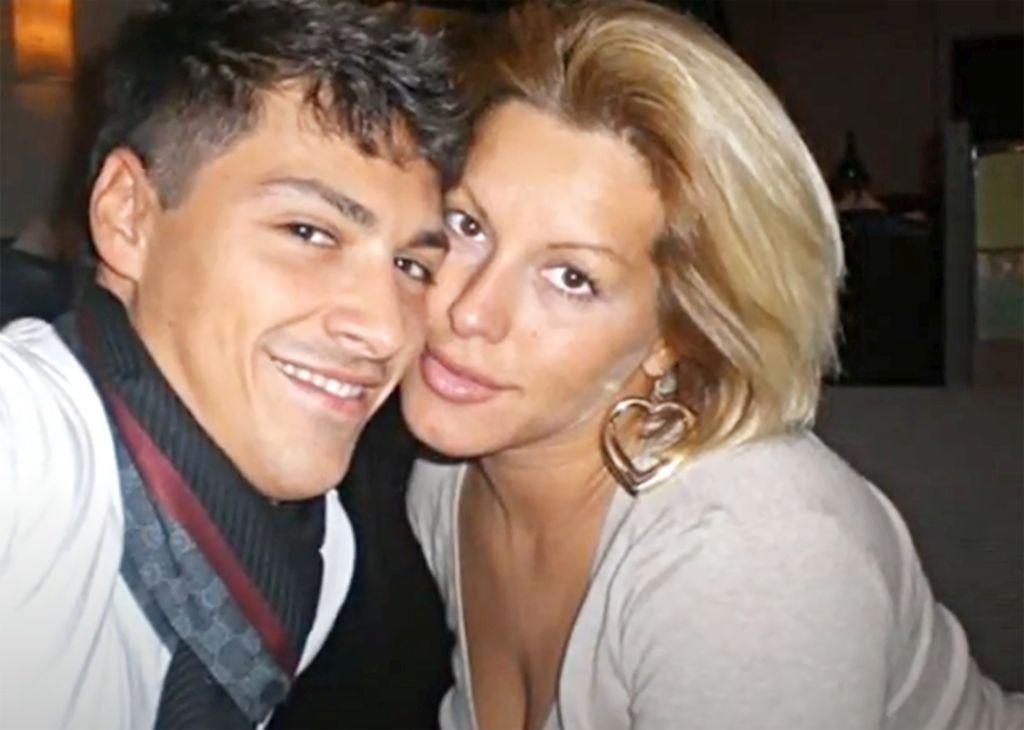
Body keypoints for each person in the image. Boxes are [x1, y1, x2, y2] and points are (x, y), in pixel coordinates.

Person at [401, 2, 1024, 728]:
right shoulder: (444, 481)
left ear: (680, 333)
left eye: (571, 278)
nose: (470, 311)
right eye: (468, 225)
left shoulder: (747, 551)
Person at [0, 0, 462, 727]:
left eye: (411, 265)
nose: (384, 330)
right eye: (308, 231)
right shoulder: (25, 439)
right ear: (128, 216)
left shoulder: (317, 547)